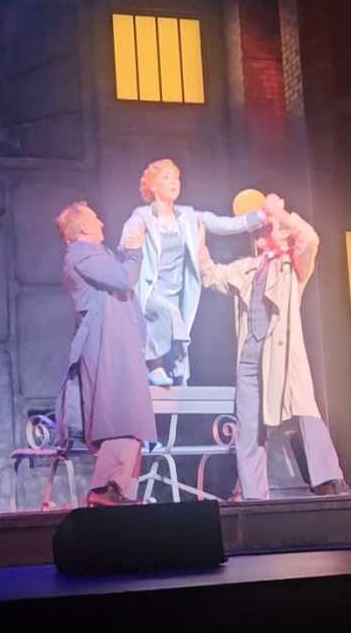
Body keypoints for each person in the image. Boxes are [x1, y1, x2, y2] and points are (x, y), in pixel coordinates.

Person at [199, 195, 350, 500]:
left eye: (269, 229)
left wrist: (278, 213)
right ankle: (254, 495)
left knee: (304, 413)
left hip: (281, 356)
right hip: (249, 359)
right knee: (249, 428)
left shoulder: (293, 265)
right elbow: (209, 274)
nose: (263, 233)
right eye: (259, 230)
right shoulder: (247, 268)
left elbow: (310, 238)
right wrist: (198, 235)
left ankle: (329, 480)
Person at [120, 158, 265, 386]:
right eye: (166, 177)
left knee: (177, 329)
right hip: (150, 287)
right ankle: (154, 365)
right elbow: (128, 237)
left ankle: (177, 377)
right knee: (168, 314)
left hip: (176, 289)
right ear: (152, 186)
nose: (173, 182)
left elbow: (222, 224)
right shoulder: (143, 215)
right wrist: (130, 241)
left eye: (176, 178)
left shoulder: (187, 216)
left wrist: (260, 216)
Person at [55, 201, 157, 507]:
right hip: (106, 341)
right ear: (82, 229)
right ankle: (107, 488)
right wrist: (134, 253)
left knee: (129, 412)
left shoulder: (95, 254)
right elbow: (123, 278)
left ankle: (120, 491)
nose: (101, 222)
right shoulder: (82, 253)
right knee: (120, 411)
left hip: (116, 339)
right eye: (95, 218)